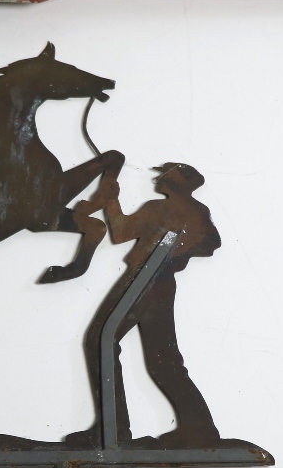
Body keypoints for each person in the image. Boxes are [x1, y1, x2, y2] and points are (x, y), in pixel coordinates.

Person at [66, 163, 222, 449]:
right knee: (163, 358)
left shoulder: (172, 210)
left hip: (144, 280)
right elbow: (122, 233)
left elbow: (211, 242)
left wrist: (174, 248)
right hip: (157, 281)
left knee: (101, 340)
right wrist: (111, 199)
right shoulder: (177, 210)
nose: (161, 178)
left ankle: (113, 428)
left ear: (181, 181)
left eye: (169, 174)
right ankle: (198, 430)